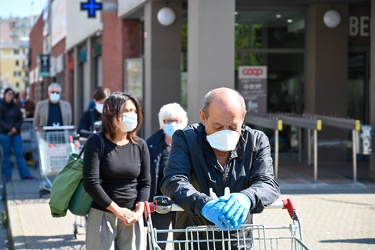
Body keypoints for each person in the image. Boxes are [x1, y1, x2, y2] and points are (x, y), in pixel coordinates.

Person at [160, 87, 280, 249]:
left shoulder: (256, 141)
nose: (225, 133)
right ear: (203, 117)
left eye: (232, 127)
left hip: (238, 241)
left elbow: (267, 183)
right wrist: (204, 205)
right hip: (194, 239)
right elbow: (173, 181)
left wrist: (247, 198)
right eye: (217, 126)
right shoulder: (186, 139)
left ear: (243, 117)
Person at [83, 91, 151, 249]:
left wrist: (139, 211)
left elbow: (145, 182)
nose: (132, 114)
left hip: (132, 217)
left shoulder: (140, 145)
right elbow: (91, 183)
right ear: (111, 113)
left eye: (135, 111)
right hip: (102, 214)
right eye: (127, 111)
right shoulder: (96, 141)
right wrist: (117, 210)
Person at [146, 102, 188, 250]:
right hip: (160, 204)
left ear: (182, 121)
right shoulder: (151, 144)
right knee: (156, 244)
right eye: (168, 121)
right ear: (162, 123)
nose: (172, 124)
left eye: (176, 120)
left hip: (184, 204)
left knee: (183, 244)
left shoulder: (190, 143)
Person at [0, 88, 36, 182]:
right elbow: (1, 120)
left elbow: (20, 119)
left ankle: (25, 175)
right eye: (9, 94)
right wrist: (9, 128)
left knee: (19, 154)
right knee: (6, 155)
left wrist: (15, 128)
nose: (11, 95)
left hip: (16, 134)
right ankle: (7, 176)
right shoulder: (1, 106)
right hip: (4, 134)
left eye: (12, 94)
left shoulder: (15, 106)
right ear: (5, 95)